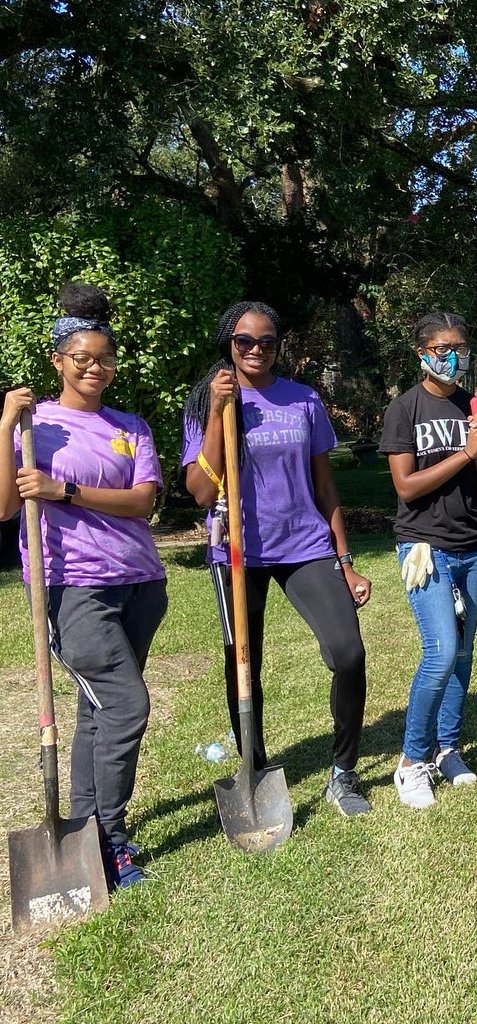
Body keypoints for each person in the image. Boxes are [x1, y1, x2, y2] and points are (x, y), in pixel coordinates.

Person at [0, 282, 167, 889]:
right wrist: (4, 429)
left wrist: (64, 491)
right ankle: (113, 839)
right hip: (71, 588)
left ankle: (84, 825)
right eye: (82, 359)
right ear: (58, 362)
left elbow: (143, 501)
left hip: (141, 583)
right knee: (125, 705)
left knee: (98, 713)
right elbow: (2, 508)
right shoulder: (33, 426)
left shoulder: (131, 425)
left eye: (104, 359)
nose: (95, 369)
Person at [182, 301, 372, 817]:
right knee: (244, 663)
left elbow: (325, 484)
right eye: (245, 341)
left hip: (304, 544)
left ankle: (343, 772)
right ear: (229, 342)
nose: (256, 350)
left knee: (348, 652)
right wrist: (220, 416)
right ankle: (256, 769)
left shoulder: (303, 400)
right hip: (238, 551)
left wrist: (345, 557)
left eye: (267, 342)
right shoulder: (206, 402)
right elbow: (200, 491)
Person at [380, 312, 477, 809]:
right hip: (425, 547)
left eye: (459, 346)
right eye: (440, 347)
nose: (451, 356)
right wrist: (468, 452)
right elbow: (406, 486)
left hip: (474, 544)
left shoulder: (474, 406)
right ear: (421, 353)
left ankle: (448, 748)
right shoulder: (404, 409)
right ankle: (410, 761)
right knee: (442, 651)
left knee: (464, 654)